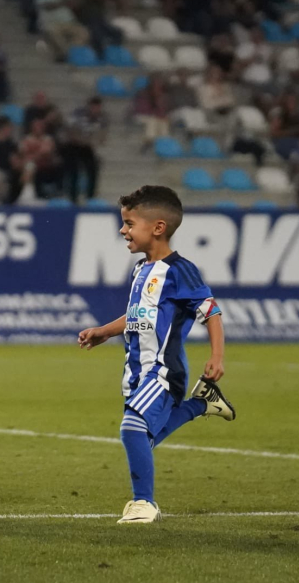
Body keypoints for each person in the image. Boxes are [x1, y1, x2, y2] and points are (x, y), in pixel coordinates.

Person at [78, 185, 235, 524]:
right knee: (144, 437)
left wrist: (217, 357)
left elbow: (211, 311)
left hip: (162, 370)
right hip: (136, 370)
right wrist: (104, 331)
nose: (123, 230)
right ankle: (201, 403)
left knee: (131, 429)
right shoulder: (141, 270)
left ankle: (143, 503)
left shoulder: (180, 270)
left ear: (158, 227)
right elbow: (137, 315)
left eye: (129, 223)